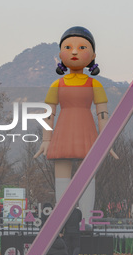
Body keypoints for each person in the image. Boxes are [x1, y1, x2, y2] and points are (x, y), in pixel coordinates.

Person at [34, 26, 117, 218]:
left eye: (81, 47)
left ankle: (87, 219)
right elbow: (49, 113)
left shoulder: (94, 84)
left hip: (86, 131)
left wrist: (107, 140)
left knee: (89, 173)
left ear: (93, 55)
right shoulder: (57, 84)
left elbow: (102, 114)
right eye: (68, 47)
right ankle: (62, 219)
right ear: (60, 53)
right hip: (63, 132)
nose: (73, 52)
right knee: (61, 173)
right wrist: (47, 139)